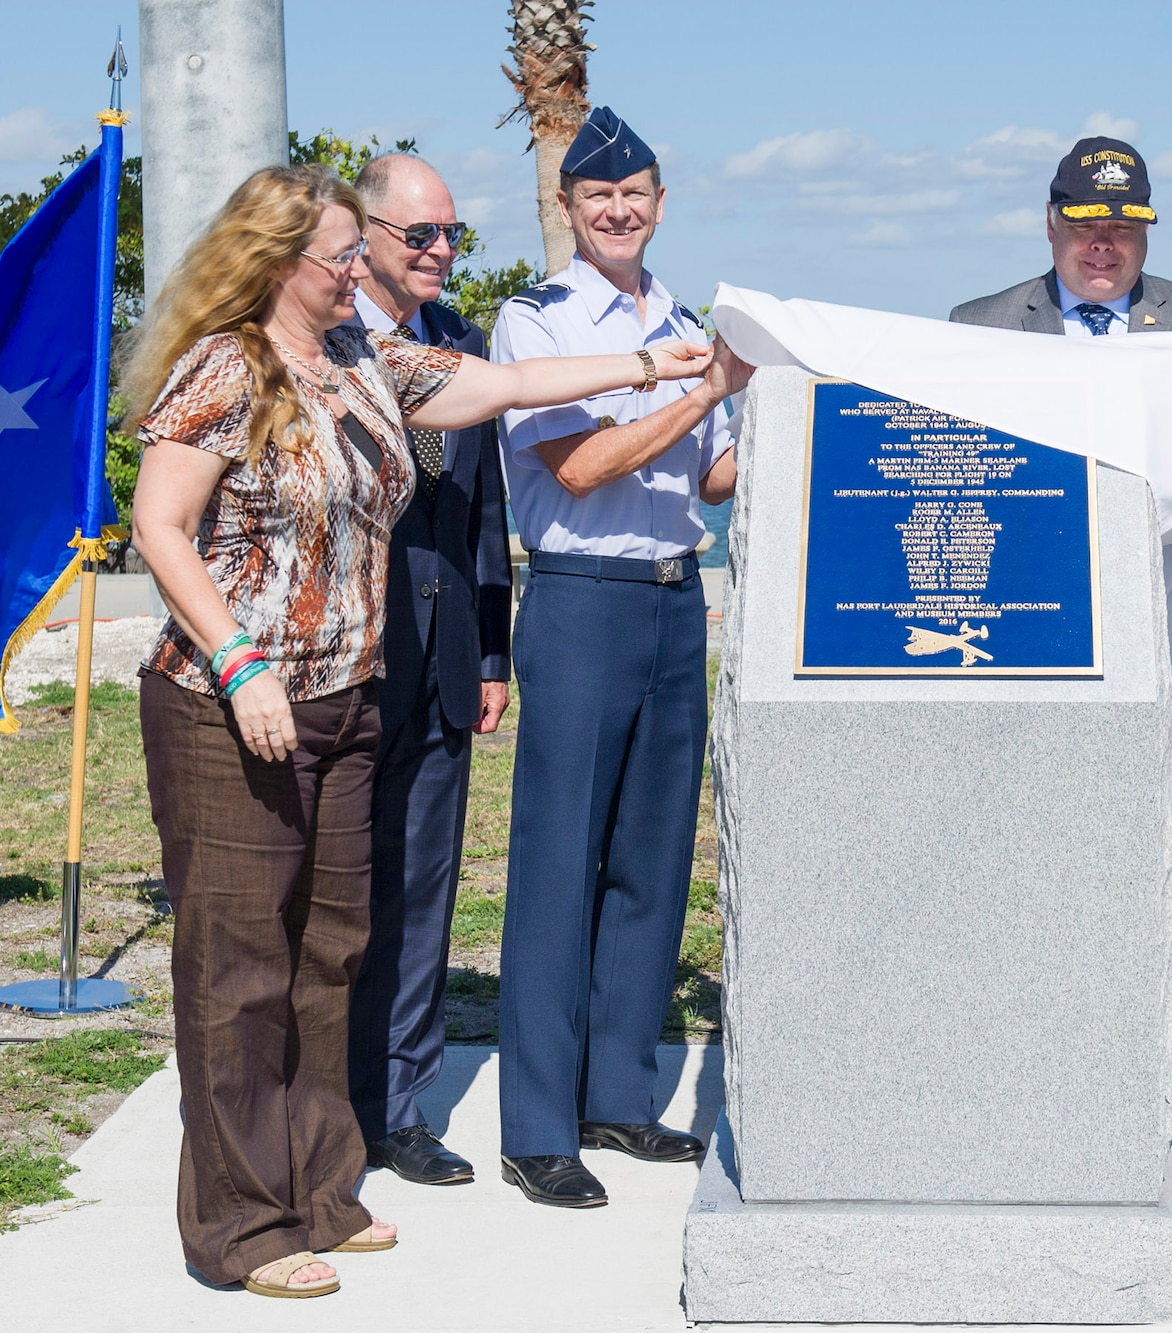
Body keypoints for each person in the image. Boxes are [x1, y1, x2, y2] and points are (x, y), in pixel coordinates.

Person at [126, 163, 713, 1296]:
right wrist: (238, 659)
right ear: (280, 261)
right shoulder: (224, 364)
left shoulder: (357, 358)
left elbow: (500, 386)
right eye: (344, 255)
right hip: (231, 703)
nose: (363, 271)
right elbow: (162, 524)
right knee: (240, 971)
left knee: (331, 951)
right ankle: (242, 1229)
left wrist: (653, 363)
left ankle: (321, 1189)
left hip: (347, 695)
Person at [951, 136, 1172, 1110]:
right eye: (1085, 225)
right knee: (1023, 846)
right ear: (1050, 223)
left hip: (1170, 626)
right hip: (1026, 631)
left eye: (1123, 227)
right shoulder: (977, 326)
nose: (1104, 246)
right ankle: (1028, 1039)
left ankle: (1159, 1068)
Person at [492, 106, 750, 1209]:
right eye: (598, 195)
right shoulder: (536, 324)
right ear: (566, 207)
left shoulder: (690, 317)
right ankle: (539, 1123)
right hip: (582, 600)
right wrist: (698, 388)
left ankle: (617, 1094)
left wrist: (806, 398)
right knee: (559, 864)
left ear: (658, 201)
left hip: (673, 601)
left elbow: (716, 479)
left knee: (652, 862)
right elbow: (586, 465)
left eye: (635, 192)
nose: (618, 209)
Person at [343, 154, 511, 1187]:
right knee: (339, 895)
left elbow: (482, 512)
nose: (441, 252)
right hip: (351, 661)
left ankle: (398, 1106)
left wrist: (491, 648)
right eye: (420, 236)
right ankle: (323, 1095)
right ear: (361, 233)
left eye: (452, 235)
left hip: (448, 660)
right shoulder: (319, 339)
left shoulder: (461, 343)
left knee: (422, 893)